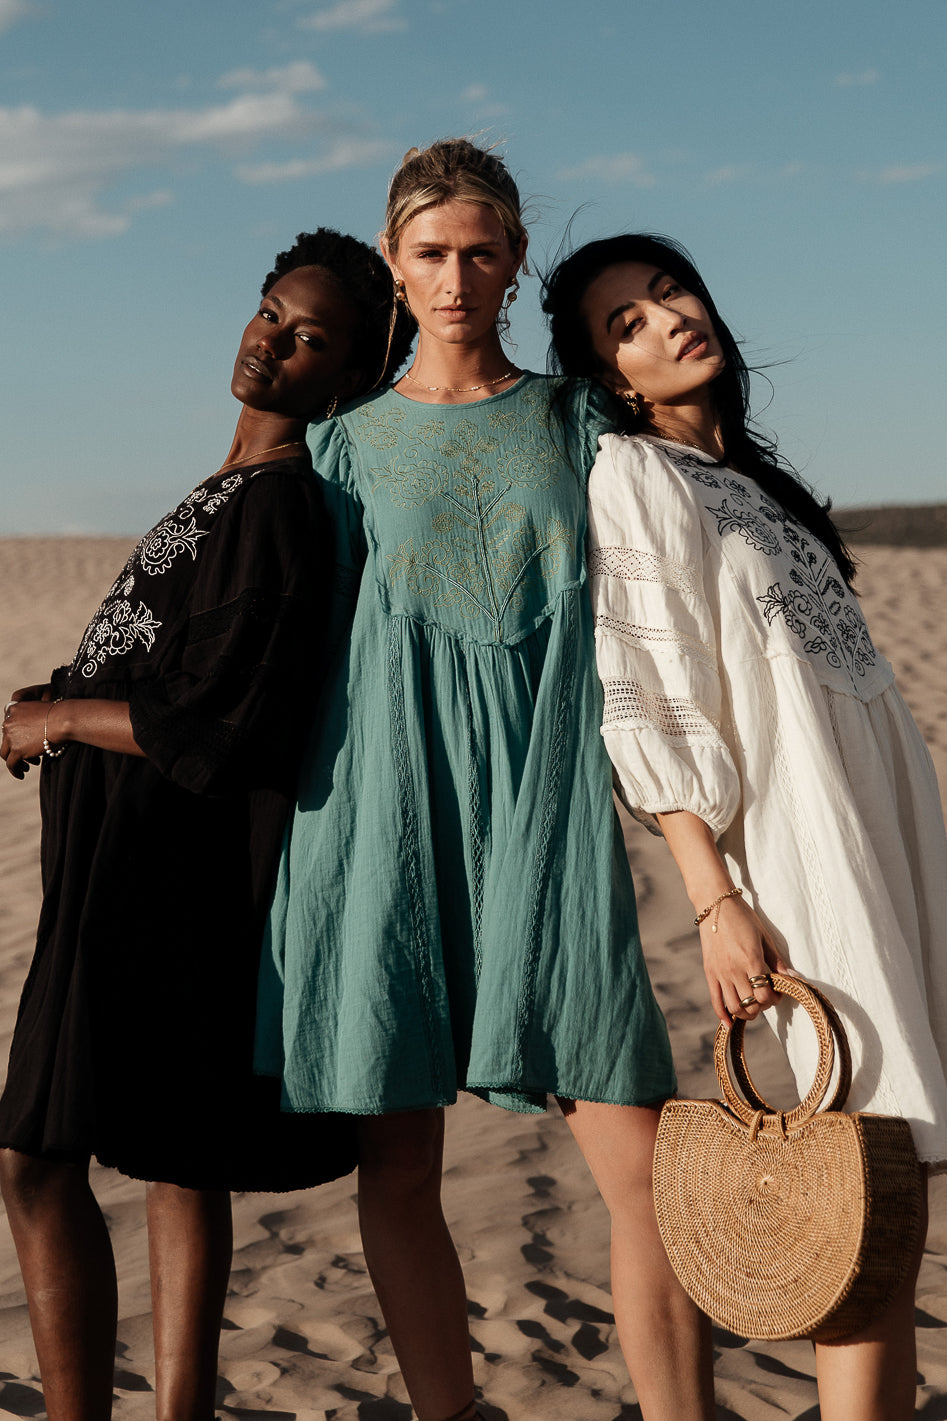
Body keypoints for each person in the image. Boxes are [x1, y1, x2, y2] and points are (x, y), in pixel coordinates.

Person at [255, 143, 715, 1421]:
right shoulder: (340, 444)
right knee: (399, 1162)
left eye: (479, 251)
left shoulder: (578, 421)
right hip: (382, 814)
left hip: (544, 812)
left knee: (643, 1165)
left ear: (514, 262)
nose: (455, 277)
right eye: (430, 253)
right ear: (393, 264)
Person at [0, 228, 413, 1421]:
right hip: (125, 859)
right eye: (270, 311)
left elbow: (228, 722)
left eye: (309, 337)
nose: (271, 342)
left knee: (35, 1157)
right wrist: (63, 690)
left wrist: (64, 717)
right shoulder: (229, 488)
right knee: (175, 1155)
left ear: (347, 377)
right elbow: (166, 665)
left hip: (160, 871)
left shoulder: (281, 504)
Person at [543, 231, 947, 1420]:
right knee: (853, 1177)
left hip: (889, 824)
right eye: (626, 323)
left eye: (669, 292)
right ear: (610, 376)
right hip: (797, 845)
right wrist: (713, 896)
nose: (666, 320)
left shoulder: (755, 484)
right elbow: (649, 698)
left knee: (896, 1188)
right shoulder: (632, 475)